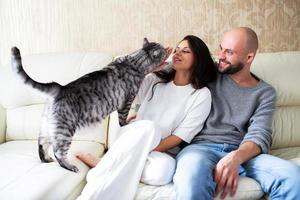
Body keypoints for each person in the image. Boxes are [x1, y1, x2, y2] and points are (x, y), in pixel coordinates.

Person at [76, 35, 218, 200]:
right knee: (149, 127)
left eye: (185, 51)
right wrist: (148, 67)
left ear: (198, 59)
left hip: (157, 150)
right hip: (129, 139)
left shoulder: (201, 95)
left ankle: (105, 164)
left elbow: (179, 137)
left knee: (163, 172)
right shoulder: (154, 80)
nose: (178, 53)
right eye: (177, 50)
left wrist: (142, 150)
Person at [173, 27, 300, 200]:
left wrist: (235, 157)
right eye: (221, 48)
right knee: (191, 177)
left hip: (244, 154)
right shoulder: (208, 72)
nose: (221, 56)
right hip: (200, 149)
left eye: (229, 52)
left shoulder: (264, 93)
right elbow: (176, 66)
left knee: (293, 176)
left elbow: (259, 135)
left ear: (249, 57)